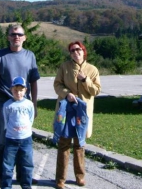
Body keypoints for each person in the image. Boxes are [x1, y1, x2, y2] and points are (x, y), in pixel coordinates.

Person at [0, 24, 40, 188]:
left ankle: (23, 176)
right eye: (12, 34)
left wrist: (35, 104)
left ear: (25, 37)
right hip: (5, 103)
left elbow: (33, 82)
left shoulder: (30, 56)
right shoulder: (0, 55)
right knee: (3, 141)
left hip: (24, 104)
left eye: (19, 34)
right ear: (8, 37)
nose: (16, 37)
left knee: (22, 139)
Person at [53, 41, 101, 189]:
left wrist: (85, 80)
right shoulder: (64, 67)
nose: (75, 52)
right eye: (72, 51)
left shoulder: (92, 70)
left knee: (80, 144)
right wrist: (67, 94)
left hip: (82, 113)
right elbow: (57, 85)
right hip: (66, 112)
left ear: (83, 51)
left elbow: (96, 91)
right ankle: (60, 179)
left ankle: (80, 177)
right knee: (64, 144)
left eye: (78, 49)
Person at [1, 76, 34, 189]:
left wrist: (24, 130)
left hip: (26, 139)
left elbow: (31, 119)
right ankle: (6, 186)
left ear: (25, 90)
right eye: (15, 90)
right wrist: (13, 131)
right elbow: (6, 120)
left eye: (21, 90)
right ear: (11, 90)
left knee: (27, 165)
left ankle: (26, 185)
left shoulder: (29, 104)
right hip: (11, 139)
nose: (18, 93)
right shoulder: (7, 105)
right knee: (8, 166)